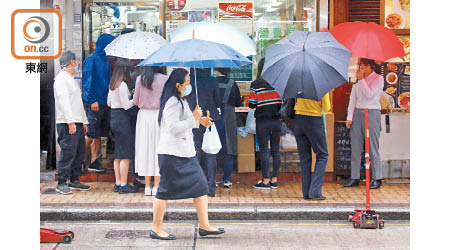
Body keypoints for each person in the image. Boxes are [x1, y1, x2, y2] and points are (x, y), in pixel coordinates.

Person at [151, 68, 225, 240]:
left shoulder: (180, 100)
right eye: (187, 82)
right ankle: (156, 228)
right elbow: (174, 128)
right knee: (164, 191)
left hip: (185, 154)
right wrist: (193, 118)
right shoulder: (172, 102)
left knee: (201, 186)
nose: (190, 85)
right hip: (171, 154)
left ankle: (204, 225)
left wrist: (200, 120)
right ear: (178, 85)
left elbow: (187, 122)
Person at [53, 50, 91, 194]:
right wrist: (70, 122)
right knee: (68, 151)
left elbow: (77, 103)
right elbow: (64, 103)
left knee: (79, 151)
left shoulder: (70, 79)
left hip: (77, 121)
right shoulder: (61, 80)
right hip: (67, 122)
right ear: (70, 63)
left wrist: (84, 121)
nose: (76, 65)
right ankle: (62, 182)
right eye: (75, 62)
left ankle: (75, 179)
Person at [344, 58, 384, 189]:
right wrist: (349, 117)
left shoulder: (378, 79)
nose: (360, 68)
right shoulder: (358, 80)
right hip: (358, 113)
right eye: (359, 65)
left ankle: (377, 177)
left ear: (369, 66)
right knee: (355, 147)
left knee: (372, 146)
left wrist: (361, 80)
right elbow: (352, 99)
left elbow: (369, 95)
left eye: (362, 66)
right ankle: (354, 176)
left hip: (372, 112)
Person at [82, 33, 115, 172]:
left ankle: (94, 161)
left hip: (104, 102)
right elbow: (87, 81)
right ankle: (80, 160)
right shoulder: (92, 59)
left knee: (97, 135)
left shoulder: (106, 60)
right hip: (94, 103)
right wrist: (92, 99)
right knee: (90, 134)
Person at [249, 58, 283, 190]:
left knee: (264, 150)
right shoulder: (279, 83)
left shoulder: (255, 84)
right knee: (276, 150)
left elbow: (252, 104)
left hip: (262, 121)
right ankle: (274, 180)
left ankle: (265, 181)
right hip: (277, 120)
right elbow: (282, 101)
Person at [134, 66, 168, 196]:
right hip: (159, 116)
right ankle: (157, 185)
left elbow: (136, 101)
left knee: (145, 149)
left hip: (144, 117)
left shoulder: (140, 79)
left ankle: (147, 186)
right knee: (158, 149)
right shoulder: (164, 79)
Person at [187, 68, 221, 197]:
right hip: (210, 117)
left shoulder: (190, 80)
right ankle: (211, 186)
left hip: (195, 118)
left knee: (196, 150)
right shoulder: (212, 80)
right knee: (210, 152)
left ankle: (195, 185)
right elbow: (217, 100)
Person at [293, 90, 331, 200]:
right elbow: (327, 107)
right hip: (313, 120)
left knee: (305, 158)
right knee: (323, 155)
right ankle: (314, 191)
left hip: (298, 120)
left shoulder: (298, 84)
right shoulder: (321, 86)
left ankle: (306, 192)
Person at [107, 58, 137, 194]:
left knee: (118, 154)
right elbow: (126, 105)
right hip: (123, 119)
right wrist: (135, 98)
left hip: (114, 117)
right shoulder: (123, 85)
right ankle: (124, 185)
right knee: (124, 154)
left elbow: (108, 103)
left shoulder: (113, 84)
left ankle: (118, 183)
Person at [213, 68, 242, 188]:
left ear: (215, 69)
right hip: (229, 117)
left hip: (213, 117)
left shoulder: (211, 82)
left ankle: (212, 179)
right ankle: (227, 179)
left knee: (211, 149)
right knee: (228, 149)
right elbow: (238, 103)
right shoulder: (232, 84)